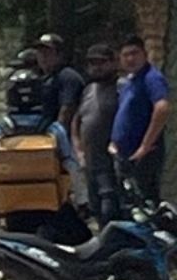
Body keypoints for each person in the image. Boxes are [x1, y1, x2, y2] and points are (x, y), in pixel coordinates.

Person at [0, 66, 88, 242]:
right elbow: (71, 165)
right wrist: (82, 199)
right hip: (50, 203)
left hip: (12, 205)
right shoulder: (53, 129)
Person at [112, 34, 171, 204]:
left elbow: (162, 108)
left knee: (145, 205)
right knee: (129, 205)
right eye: (125, 55)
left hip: (143, 156)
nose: (130, 58)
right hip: (124, 155)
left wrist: (144, 146)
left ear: (145, 54)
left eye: (134, 53)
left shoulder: (151, 77)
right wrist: (114, 142)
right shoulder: (129, 81)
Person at [72, 44, 121, 225]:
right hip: (90, 163)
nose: (97, 67)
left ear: (112, 63)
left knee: (111, 210)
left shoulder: (121, 87)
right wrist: (78, 151)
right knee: (97, 210)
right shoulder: (88, 90)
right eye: (92, 63)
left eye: (101, 62)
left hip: (112, 163)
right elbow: (76, 121)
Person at [35, 33, 86, 129]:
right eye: (40, 52)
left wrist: (56, 134)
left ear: (59, 55)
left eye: (47, 52)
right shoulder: (43, 78)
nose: (43, 57)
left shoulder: (68, 77)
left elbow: (67, 111)